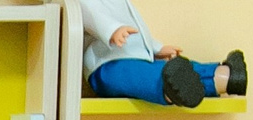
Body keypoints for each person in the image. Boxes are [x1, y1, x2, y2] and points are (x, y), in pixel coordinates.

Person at [78, 3, 244, 108]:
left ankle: (223, 77)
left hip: (136, 57)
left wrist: (157, 48)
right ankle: (169, 91)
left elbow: (139, 31)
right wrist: (112, 30)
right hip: (105, 64)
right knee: (142, 76)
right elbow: (89, 13)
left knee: (169, 69)